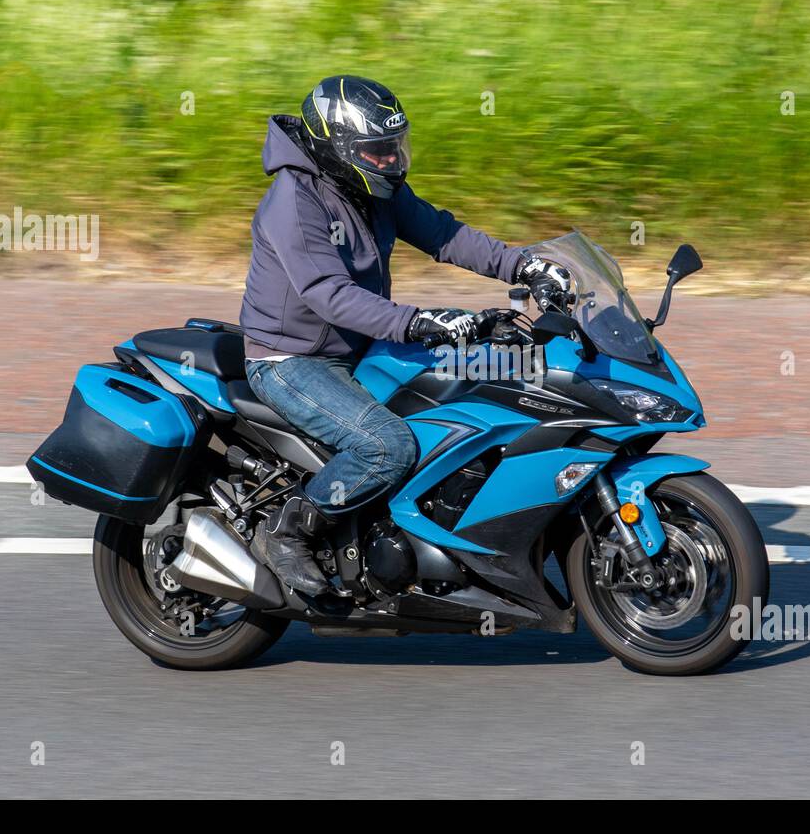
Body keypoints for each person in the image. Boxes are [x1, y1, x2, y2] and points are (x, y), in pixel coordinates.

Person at [240, 75, 569, 596]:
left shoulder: (370, 186)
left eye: (396, 147)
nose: (393, 160)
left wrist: (527, 267)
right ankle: (290, 532)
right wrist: (417, 322)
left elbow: (444, 235)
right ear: (338, 150)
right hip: (293, 359)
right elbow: (328, 294)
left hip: (361, 343)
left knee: (483, 375)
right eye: (378, 152)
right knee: (388, 447)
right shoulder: (294, 203)